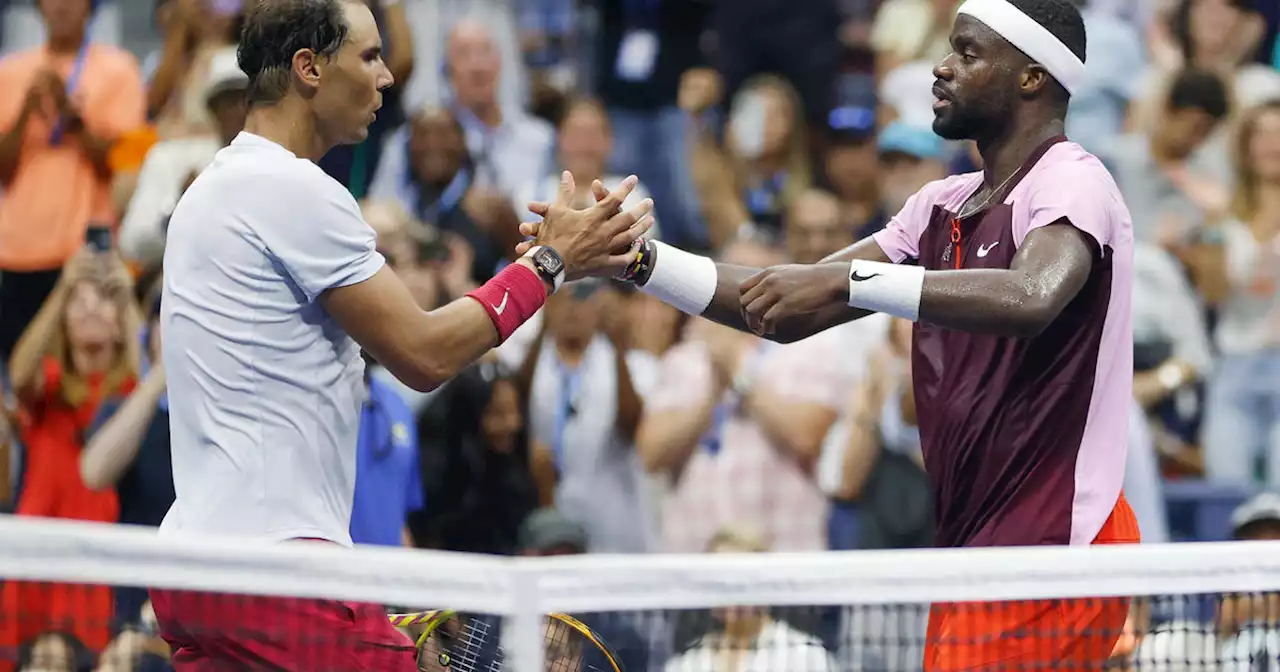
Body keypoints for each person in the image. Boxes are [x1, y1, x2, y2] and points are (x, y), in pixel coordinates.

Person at [524, 0, 1139, 668]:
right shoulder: (938, 207)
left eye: (966, 53)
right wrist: (638, 260)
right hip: (974, 546)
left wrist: (854, 283)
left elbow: (1031, 295)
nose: (941, 68)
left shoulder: (1072, 180)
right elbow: (784, 307)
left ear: (1030, 78)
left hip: (1059, 541)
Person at [148, 0, 653, 668]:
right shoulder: (292, 189)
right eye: (369, 56)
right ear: (309, 68)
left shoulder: (215, 189)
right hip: (273, 572)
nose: (387, 78)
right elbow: (424, 352)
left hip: (197, 575)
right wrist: (550, 264)